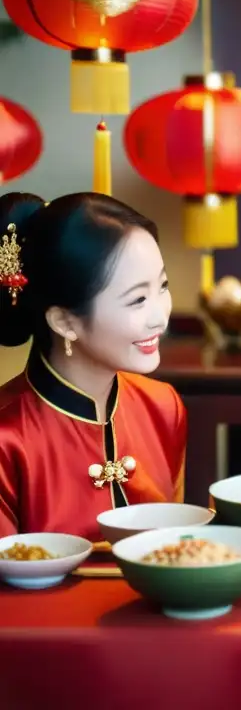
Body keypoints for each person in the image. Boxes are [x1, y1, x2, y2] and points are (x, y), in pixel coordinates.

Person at [0, 191, 185, 541]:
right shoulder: (7, 441)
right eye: (137, 300)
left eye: (162, 286)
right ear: (65, 321)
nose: (160, 317)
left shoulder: (163, 407)